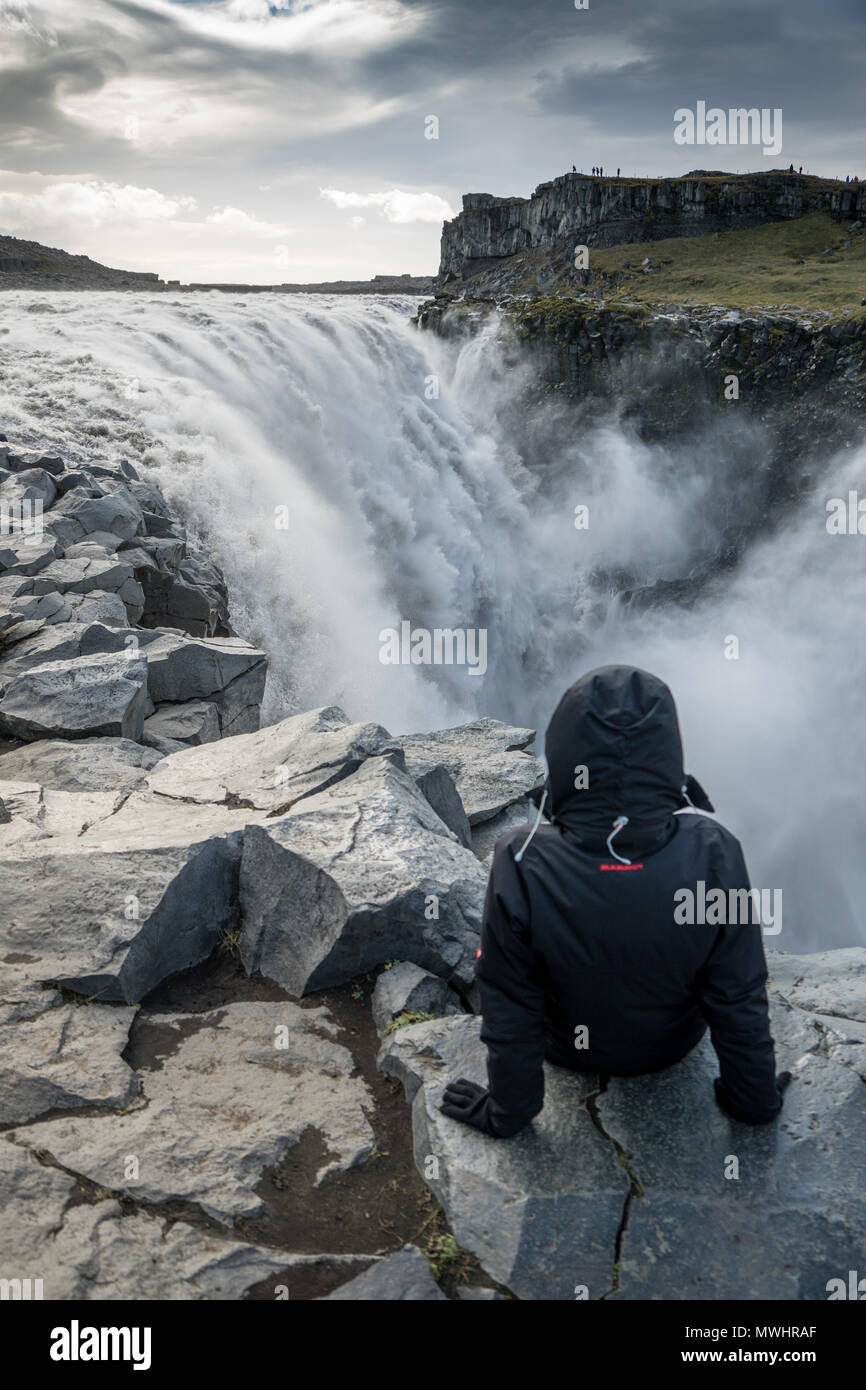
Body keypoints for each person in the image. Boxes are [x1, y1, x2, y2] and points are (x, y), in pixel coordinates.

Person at [441, 665, 790, 1139]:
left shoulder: (521, 857)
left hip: (567, 1048)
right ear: (669, 757)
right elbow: (738, 992)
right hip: (671, 1048)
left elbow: (511, 1002)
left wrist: (507, 1113)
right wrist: (754, 1100)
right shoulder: (714, 850)